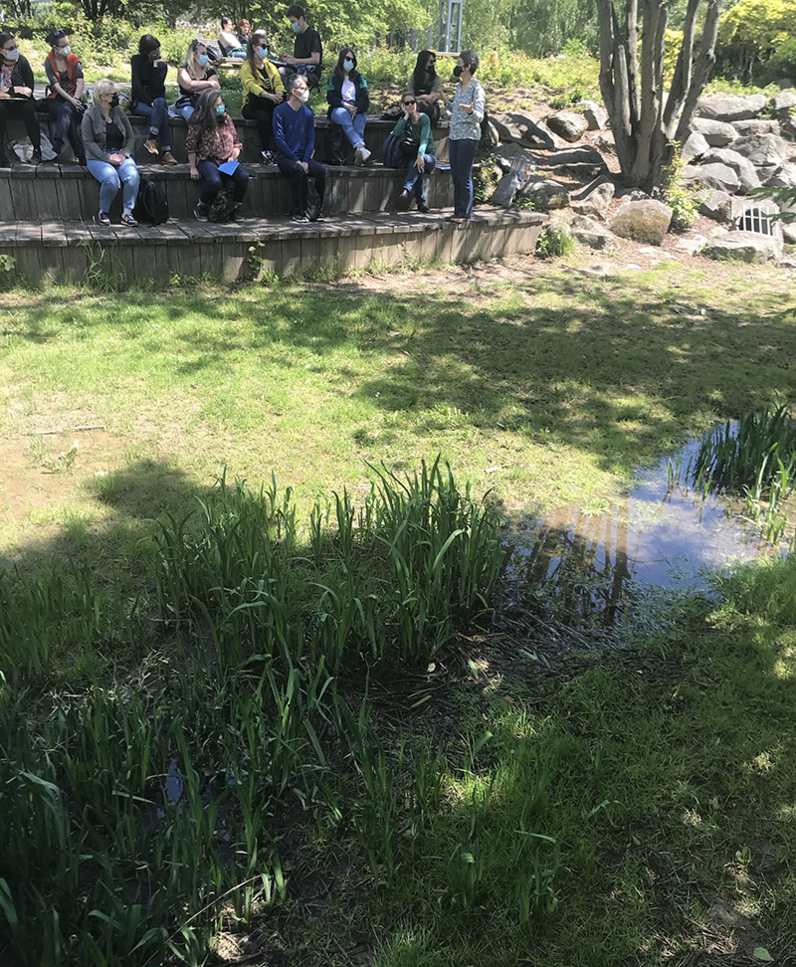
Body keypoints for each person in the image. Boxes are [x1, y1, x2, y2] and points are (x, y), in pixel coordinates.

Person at [81, 78, 140, 227]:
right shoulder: (89, 115)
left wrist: (123, 154)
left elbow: (130, 136)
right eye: (114, 94)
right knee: (111, 179)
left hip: (120, 154)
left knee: (132, 176)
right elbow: (88, 142)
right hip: (97, 156)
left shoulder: (119, 113)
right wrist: (106, 157)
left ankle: (127, 213)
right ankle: (103, 213)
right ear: (103, 97)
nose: (117, 97)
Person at [187, 87, 249, 222]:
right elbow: (191, 146)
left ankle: (236, 206)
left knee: (243, 177)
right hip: (207, 160)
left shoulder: (226, 119)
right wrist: (193, 167)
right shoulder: (198, 122)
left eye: (221, 103)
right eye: (218, 105)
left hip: (228, 159)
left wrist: (233, 156)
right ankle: (201, 205)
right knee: (215, 182)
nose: (221, 107)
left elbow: (237, 143)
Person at [274, 72, 325, 222]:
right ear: (293, 91)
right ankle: (297, 211)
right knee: (297, 171)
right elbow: (280, 139)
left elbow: (311, 139)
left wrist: (306, 160)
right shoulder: (280, 111)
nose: (306, 91)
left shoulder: (308, 113)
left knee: (322, 171)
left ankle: (317, 209)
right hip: (286, 158)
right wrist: (296, 160)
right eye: (303, 88)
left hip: (304, 158)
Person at [448, 49, 485, 222]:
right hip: (454, 136)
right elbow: (456, 110)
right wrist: (444, 99)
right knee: (455, 175)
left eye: (459, 64)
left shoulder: (477, 89)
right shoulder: (458, 87)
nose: (456, 67)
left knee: (464, 175)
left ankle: (466, 213)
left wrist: (471, 112)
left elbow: (479, 116)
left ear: (468, 66)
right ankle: (458, 211)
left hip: (468, 137)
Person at [131, 34, 177, 164]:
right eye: (153, 50)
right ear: (145, 51)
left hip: (158, 102)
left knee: (161, 103)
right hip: (141, 102)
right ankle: (167, 152)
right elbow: (136, 86)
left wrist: (156, 68)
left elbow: (158, 89)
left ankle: (151, 138)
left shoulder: (162, 66)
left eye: (157, 49)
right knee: (162, 114)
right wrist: (148, 101)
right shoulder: (136, 61)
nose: (156, 52)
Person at [241, 29, 285, 163]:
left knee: (280, 112)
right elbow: (251, 86)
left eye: (267, 47)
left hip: (270, 102)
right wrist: (269, 96)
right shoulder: (246, 67)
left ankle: (276, 149)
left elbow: (278, 81)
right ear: (255, 48)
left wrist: (279, 93)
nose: (266, 49)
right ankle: (266, 150)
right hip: (252, 104)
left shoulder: (270, 66)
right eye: (263, 46)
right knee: (263, 117)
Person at [0, 32, 42, 166]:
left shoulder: (22, 61)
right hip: (4, 104)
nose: (15, 50)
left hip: (21, 103)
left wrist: (7, 92)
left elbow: (29, 89)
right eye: (10, 48)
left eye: (16, 46)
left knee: (29, 108)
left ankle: (37, 149)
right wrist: (16, 90)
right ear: (1, 50)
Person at [44, 29, 86, 164]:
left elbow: (80, 82)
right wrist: (71, 101)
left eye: (68, 44)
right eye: (63, 46)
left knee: (66, 110)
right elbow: (56, 86)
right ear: (55, 48)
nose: (67, 48)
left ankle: (58, 141)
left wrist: (76, 99)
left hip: (75, 97)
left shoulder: (74, 60)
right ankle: (81, 155)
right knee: (66, 115)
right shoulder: (49, 61)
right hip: (58, 97)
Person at [326, 47, 370, 165]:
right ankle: (360, 146)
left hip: (356, 108)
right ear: (341, 60)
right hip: (339, 108)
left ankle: (358, 156)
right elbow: (330, 98)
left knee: (360, 121)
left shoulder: (359, 78)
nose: (349, 61)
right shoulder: (334, 77)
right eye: (347, 58)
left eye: (351, 59)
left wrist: (356, 109)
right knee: (345, 118)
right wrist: (345, 106)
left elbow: (365, 98)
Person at [393, 91, 435, 213]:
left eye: (412, 102)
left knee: (419, 163)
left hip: (428, 155)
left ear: (416, 104)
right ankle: (421, 203)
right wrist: (405, 116)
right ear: (403, 106)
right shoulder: (405, 121)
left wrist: (421, 155)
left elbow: (424, 139)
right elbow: (396, 133)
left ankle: (407, 188)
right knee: (417, 167)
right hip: (414, 157)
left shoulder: (424, 118)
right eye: (407, 103)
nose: (410, 105)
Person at [279, 5, 322, 90]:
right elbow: (298, 58)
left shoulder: (313, 35)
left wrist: (296, 60)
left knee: (292, 80)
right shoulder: (299, 37)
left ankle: (293, 100)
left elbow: (316, 60)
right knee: (279, 72)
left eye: (293, 21)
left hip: (311, 72)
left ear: (301, 19)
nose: (292, 25)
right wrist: (289, 58)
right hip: (298, 69)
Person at [175, 40, 220, 120]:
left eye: (206, 54)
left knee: (220, 116)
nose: (205, 56)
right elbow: (188, 85)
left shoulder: (210, 71)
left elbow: (216, 87)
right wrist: (209, 84)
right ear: (193, 55)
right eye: (202, 54)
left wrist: (198, 86)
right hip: (186, 104)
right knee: (195, 118)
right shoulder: (183, 70)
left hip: (205, 104)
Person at [406, 50, 442, 126]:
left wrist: (418, 98)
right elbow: (409, 98)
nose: (433, 64)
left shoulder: (435, 78)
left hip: (431, 110)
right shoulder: (414, 78)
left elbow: (432, 99)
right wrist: (424, 97)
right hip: (415, 107)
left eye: (434, 61)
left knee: (423, 106)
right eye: (431, 62)